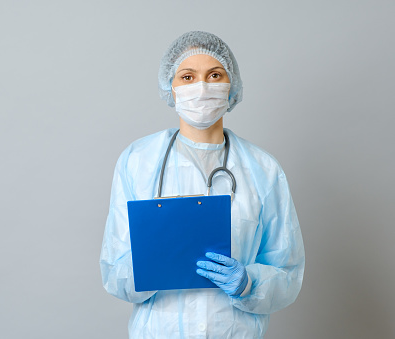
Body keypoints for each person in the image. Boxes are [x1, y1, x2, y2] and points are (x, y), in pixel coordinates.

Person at [99, 31, 305, 339]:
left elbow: (287, 271)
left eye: (214, 75)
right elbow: (114, 271)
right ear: (170, 86)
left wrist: (249, 283)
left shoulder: (263, 169)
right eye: (187, 76)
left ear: (231, 85)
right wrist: (152, 267)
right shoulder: (138, 161)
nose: (202, 87)